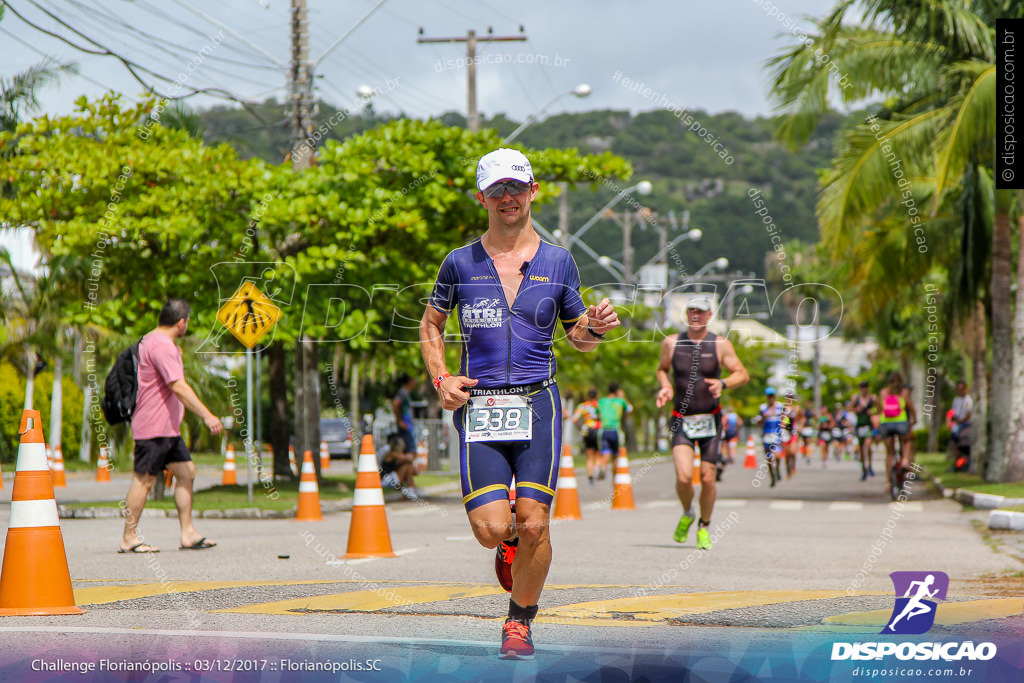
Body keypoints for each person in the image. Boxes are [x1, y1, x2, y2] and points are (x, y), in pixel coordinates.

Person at [419, 148, 619, 659]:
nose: (507, 197)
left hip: (538, 405)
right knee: (492, 531)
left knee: (535, 522)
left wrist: (593, 327)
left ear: (533, 191)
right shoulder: (459, 262)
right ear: (481, 197)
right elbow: (431, 325)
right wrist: (441, 378)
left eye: (516, 187)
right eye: (496, 189)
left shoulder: (559, 261)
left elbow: (577, 337)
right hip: (479, 407)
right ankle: (509, 545)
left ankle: (519, 622)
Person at [120, 298, 223, 554]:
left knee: (186, 472)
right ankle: (129, 537)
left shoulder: (151, 340)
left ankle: (188, 533)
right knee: (143, 480)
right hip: (153, 426)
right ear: (181, 322)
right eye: (187, 322)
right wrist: (207, 415)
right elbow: (177, 384)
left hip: (168, 429)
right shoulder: (161, 345)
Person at [656, 296, 749, 550]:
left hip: (711, 420)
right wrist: (665, 386)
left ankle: (704, 526)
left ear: (709, 316)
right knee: (685, 477)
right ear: (687, 315)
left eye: (701, 311)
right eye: (691, 311)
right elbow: (662, 369)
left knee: (707, 478)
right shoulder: (672, 342)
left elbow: (742, 373)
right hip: (681, 420)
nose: (696, 315)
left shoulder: (720, 344)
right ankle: (688, 512)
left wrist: (724, 383)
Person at [878, 372, 916, 490]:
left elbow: (880, 409)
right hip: (901, 423)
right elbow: (910, 407)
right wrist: (914, 419)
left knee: (889, 453)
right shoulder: (904, 393)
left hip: (886, 423)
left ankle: (888, 482)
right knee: (908, 441)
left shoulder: (883, 393)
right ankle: (904, 460)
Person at [597, 383, 631, 479]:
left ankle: (603, 467)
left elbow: (596, 413)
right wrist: (623, 397)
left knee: (605, 452)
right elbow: (629, 409)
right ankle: (615, 478)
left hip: (604, 430)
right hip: (615, 430)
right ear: (617, 391)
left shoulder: (602, 401)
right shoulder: (620, 401)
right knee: (616, 456)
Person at [754, 387, 786, 487]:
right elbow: (758, 423)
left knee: (777, 456)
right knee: (769, 459)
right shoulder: (762, 408)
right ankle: (773, 477)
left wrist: (784, 426)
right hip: (766, 435)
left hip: (777, 435)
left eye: (772, 396)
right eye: (769, 396)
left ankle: (777, 468)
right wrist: (764, 417)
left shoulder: (780, 406)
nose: (771, 398)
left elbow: (785, 419)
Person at [572, 389, 602, 485]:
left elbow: (575, 419)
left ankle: (590, 477)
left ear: (588, 396)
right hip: (598, 430)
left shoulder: (583, 406)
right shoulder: (600, 405)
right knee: (598, 454)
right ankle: (596, 472)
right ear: (596, 396)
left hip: (587, 431)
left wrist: (580, 428)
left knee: (589, 456)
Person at [849, 381, 878, 481]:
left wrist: (873, 411)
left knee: (868, 445)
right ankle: (863, 469)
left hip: (868, 425)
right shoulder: (855, 398)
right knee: (861, 449)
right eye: (862, 387)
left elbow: (880, 408)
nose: (864, 389)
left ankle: (870, 465)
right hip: (859, 425)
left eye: (865, 387)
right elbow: (849, 408)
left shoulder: (872, 398)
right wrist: (855, 409)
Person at [950, 380, 973, 471]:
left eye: (962, 389)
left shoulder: (968, 400)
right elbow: (953, 412)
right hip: (957, 424)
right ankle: (957, 462)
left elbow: (969, 413)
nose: (960, 391)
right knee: (954, 441)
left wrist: (961, 421)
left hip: (965, 424)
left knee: (964, 443)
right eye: (958, 389)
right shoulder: (956, 400)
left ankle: (965, 462)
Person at [719, 404, 743, 481]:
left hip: (726, 434)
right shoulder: (735, 416)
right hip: (733, 434)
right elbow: (740, 423)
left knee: (725, 446)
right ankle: (731, 457)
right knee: (732, 446)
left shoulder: (726, 416)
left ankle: (724, 457)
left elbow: (723, 424)